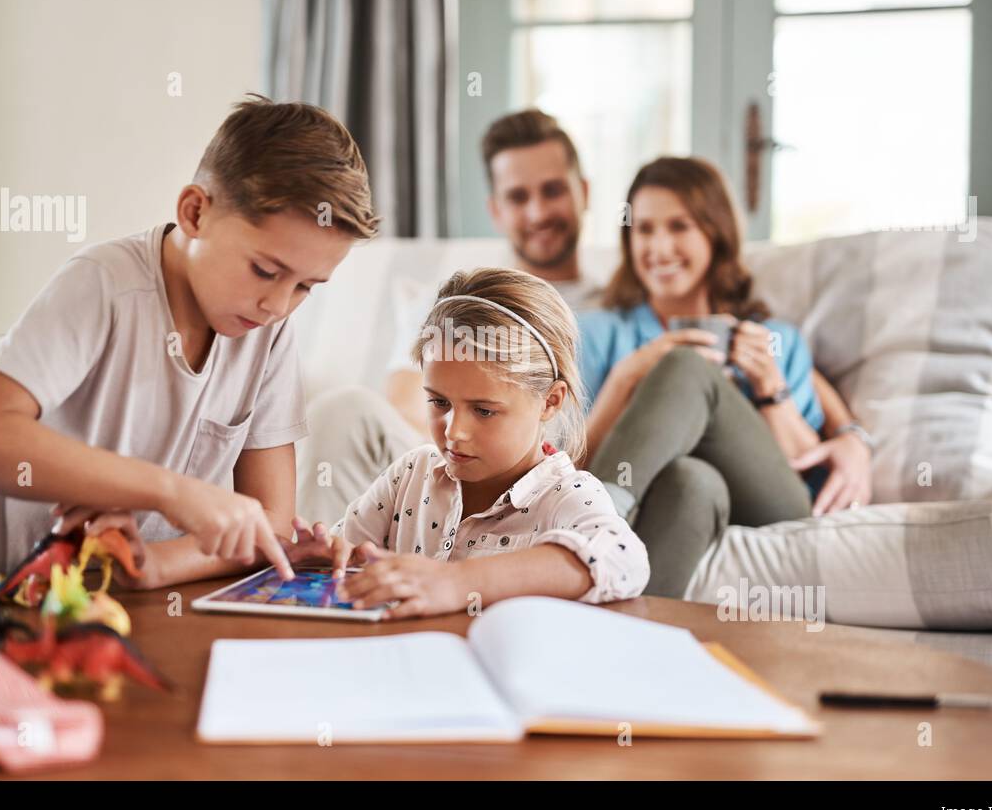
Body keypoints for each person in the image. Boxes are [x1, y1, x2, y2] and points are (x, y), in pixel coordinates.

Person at [0, 96, 379, 587]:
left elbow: (268, 520)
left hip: (105, 605)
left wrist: (151, 562)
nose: (279, 305)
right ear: (194, 212)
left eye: (306, 286)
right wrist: (170, 492)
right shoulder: (104, 284)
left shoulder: (266, 332)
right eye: (265, 270)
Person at [579, 156, 871, 598]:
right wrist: (625, 377)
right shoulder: (602, 334)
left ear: (715, 233)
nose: (658, 248)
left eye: (678, 227)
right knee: (692, 480)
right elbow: (567, 462)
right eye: (644, 229)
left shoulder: (774, 341)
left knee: (686, 367)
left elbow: (807, 470)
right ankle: (621, 637)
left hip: (770, 503)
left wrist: (771, 390)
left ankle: (589, 527)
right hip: (683, 501)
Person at [296, 109, 604, 523]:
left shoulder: (618, 312)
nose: (537, 213)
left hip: (546, 482)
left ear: (584, 192)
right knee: (343, 409)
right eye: (518, 197)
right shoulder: (450, 301)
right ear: (495, 210)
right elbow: (406, 408)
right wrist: (467, 440)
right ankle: (321, 575)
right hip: (433, 466)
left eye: (552, 191)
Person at [292, 267, 648, 618]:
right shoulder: (409, 475)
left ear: (550, 401)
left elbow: (624, 560)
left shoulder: (566, 496)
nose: (453, 432)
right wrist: (321, 560)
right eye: (439, 402)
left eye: (483, 411)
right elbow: (347, 554)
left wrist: (456, 582)